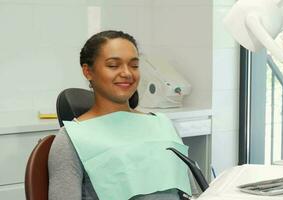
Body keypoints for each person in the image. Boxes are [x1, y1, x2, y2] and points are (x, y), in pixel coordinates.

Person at [48, 30, 196, 200]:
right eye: (113, 65)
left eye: (134, 66)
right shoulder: (71, 139)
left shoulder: (162, 125)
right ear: (88, 72)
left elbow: (190, 194)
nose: (127, 73)